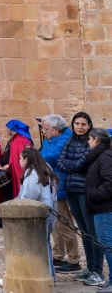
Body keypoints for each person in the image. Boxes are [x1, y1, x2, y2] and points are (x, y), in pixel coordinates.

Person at [58, 112, 104, 286]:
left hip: (85, 191)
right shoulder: (69, 141)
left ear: (89, 125)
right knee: (83, 232)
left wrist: (72, 165)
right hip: (71, 189)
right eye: (77, 123)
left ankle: (98, 271)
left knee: (93, 233)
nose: (80, 127)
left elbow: (81, 164)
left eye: (83, 124)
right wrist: (73, 165)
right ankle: (90, 268)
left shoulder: (91, 142)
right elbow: (61, 162)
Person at [40, 114, 80, 273]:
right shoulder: (50, 140)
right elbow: (43, 153)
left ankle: (73, 259)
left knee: (65, 224)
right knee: (54, 225)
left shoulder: (65, 140)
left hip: (61, 186)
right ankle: (58, 255)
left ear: (56, 129)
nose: (44, 131)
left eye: (46, 128)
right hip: (52, 186)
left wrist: (36, 155)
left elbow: (48, 157)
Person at [17, 147, 59, 281]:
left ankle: (45, 277)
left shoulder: (32, 173)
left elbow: (29, 197)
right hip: (49, 213)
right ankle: (50, 275)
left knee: (41, 247)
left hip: (39, 215)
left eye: (20, 158)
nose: (19, 161)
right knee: (46, 245)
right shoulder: (46, 167)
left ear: (26, 159)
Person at [85, 129, 112, 293]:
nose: (88, 142)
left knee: (108, 244)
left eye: (89, 139)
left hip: (105, 207)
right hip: (100, 207)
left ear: (96, 140)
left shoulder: (105, 156)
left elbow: (110, 183)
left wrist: (93, 194)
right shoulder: (100, 156)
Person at [0, 120, 35, 202]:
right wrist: (0, 163)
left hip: (17, 171)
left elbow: (21, 157)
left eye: (7, 128)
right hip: (10, 172)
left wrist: (9, 165)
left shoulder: (20, 140)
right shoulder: (13, 140)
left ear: (11, 128)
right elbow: (7, 154)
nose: (6, 130)